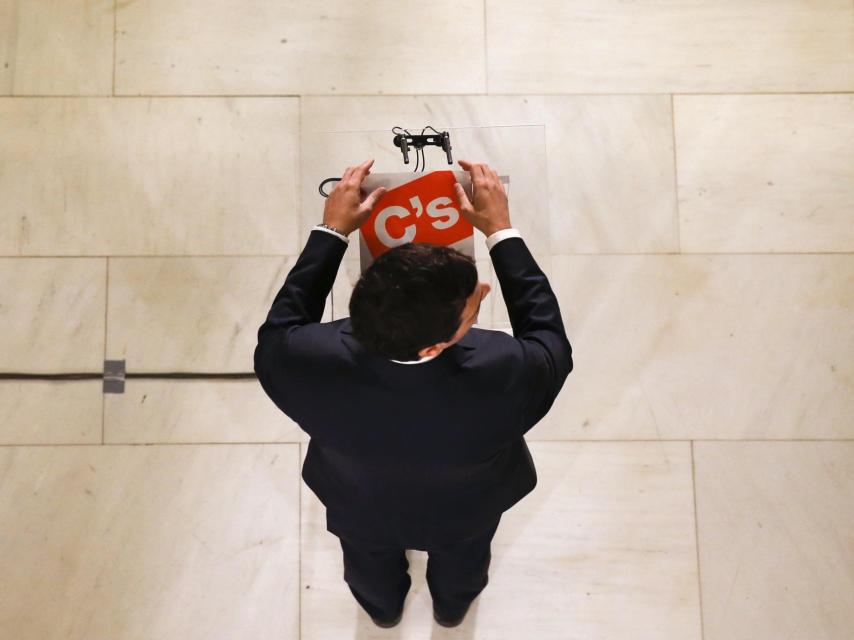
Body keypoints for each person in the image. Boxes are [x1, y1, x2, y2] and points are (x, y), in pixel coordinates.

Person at [254, 158, 573, 628]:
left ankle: (382, 613)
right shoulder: (506, 371)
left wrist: (331, 233)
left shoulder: (300, 360)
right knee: (464, 568)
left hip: (359, 504)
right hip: (464, 513)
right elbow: (548, 337)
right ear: (435, 345)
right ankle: (451, 609)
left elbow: (285, 319)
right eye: (472, 305)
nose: (481, 293)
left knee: (367, 570)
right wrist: (500, 232)